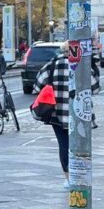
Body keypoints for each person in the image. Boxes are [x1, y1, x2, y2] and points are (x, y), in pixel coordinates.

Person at [33, 50, 73, 186]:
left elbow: (37, 85)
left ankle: (68, 177)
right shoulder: (81, 65)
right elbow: (95, 86)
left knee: (63, 144)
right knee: (79, 145)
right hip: (78, 113)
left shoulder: (52, 65)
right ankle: (80, 173)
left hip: (57, 113)